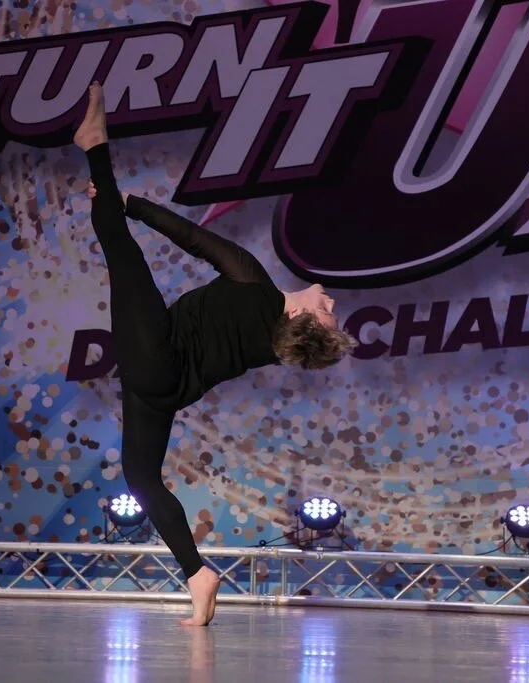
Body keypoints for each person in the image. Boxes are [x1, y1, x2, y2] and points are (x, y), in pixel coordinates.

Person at [73, 83, 356, 626]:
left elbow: (192, 238)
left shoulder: (255, 286)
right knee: (141, 478)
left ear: (301, 317)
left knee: (118, 245)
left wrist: (132, 204)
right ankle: (198, 574)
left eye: (327, 313)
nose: (332, 302)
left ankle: (95, 144)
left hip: (157, 357)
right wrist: (123, 205)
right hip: (165, 389)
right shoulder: (274, 347)